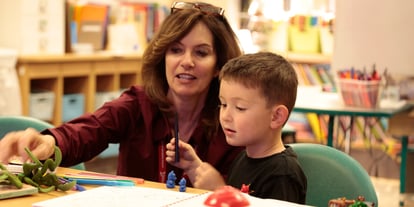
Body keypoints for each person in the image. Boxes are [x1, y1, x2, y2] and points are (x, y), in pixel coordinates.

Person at [0, 2, 243, 183]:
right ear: (163, 57)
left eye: (201, 53)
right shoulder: (139, 103)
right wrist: (49, 142)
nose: (186, 61)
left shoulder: (233, 121)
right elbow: (89, 130)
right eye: (176, 50)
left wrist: (221, 190)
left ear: (218, 66)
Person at [166, 52, 307, 204]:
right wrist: (194, 167)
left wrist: (220, 191)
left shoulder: (282, 174)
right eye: (223, 104)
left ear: (276, 117)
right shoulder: (241, 158)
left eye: (240, 108)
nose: (225, 116)